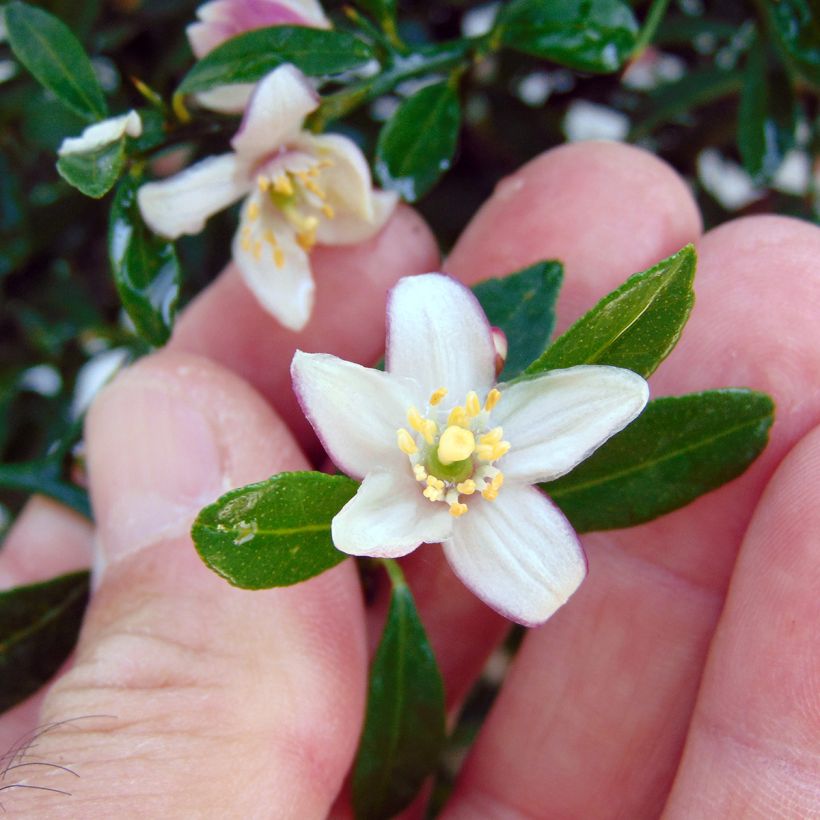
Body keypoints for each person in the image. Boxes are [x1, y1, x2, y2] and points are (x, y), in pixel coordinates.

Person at [2, 141, 819, 818]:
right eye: (449, 445)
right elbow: (357, 511)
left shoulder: (483, 471)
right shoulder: (379, 454)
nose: (455, 449)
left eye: (462, 449)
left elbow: (543, 543)